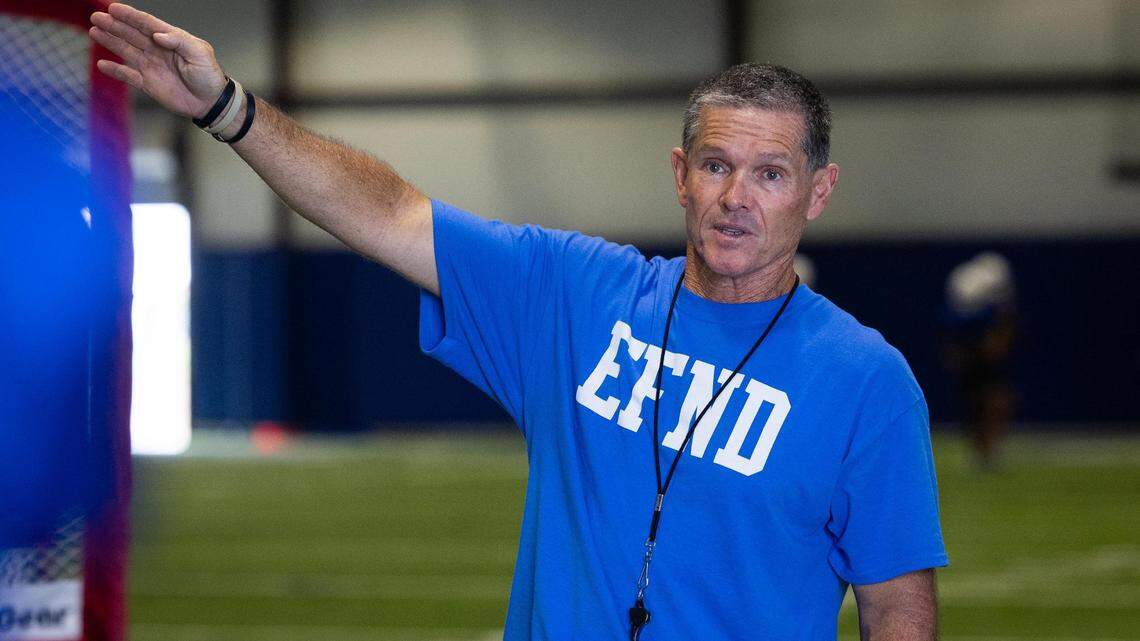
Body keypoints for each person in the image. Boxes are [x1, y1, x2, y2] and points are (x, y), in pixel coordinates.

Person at [89, 4, 948, 639]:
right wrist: (228, 110)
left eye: (770, 173)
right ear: (680, 174)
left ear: (818, 192)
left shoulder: (867, 381)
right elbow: (389, 212)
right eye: (717, 165)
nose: (735, 198)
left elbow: (898, 615)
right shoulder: (573, 296)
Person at [941, 252, 1018, 471]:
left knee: (994, 399)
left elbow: (1004, 325)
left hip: (979, 352)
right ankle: (982, 451)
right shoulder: (969, 294)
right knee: (976, 402)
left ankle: (989, 450)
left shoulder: (984, 293)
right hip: (971, 351)